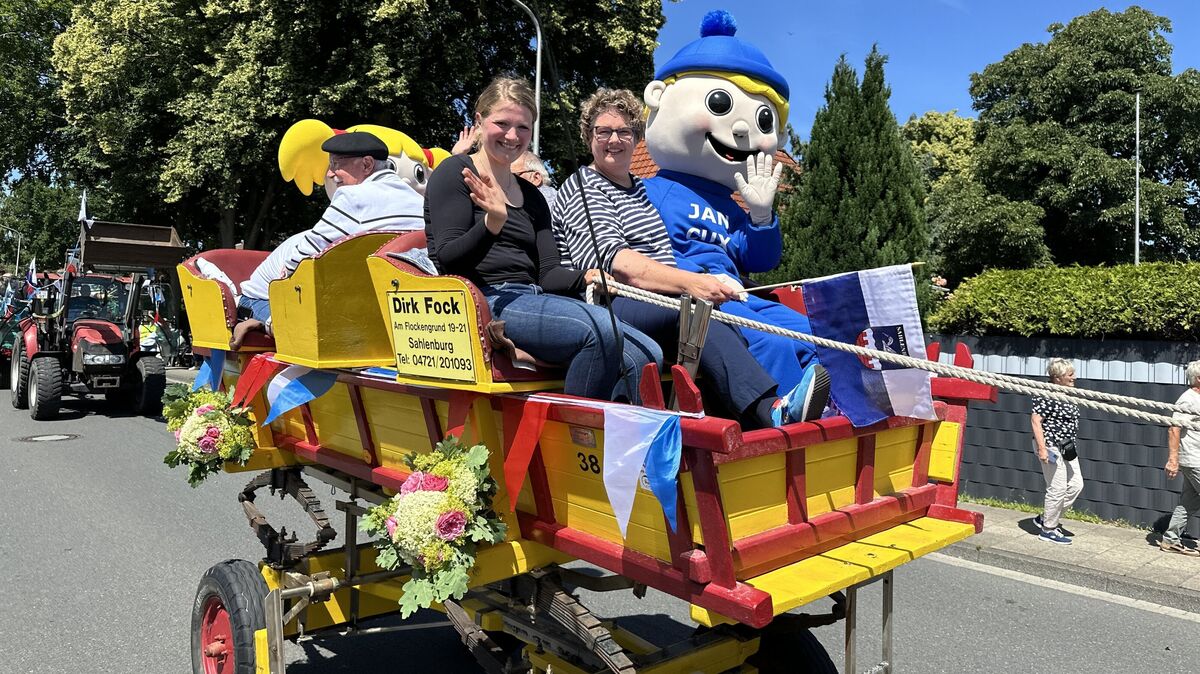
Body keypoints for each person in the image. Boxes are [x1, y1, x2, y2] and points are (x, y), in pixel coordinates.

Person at [552, 88, 827, 427]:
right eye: (603, 131)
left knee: (804, 328)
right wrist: (694, 282)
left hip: (661, 294)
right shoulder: (585, 185)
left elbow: (685, 252)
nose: (614, 140)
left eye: (624, 131)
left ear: (637, 137)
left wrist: (759, 218)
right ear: (587, 136)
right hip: (616, 298)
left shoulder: (640, 190)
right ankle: (770, 411)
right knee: (697, 313)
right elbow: (619, 264)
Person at [424, 77, 661, 403]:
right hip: (483, 300)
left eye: (522, 127)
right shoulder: (455, 173)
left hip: (532, 298)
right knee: (602, 333)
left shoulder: (532, 197)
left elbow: (547, 274)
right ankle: (580, 438)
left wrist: (587, 275)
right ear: (479, 121)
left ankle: (621, 441)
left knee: (648, 353)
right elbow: (450, 259)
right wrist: (492, 222)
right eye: (502, 123)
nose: (512, 136)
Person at [640, 11, 828, 408]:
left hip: (741, 297)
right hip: (693, 301)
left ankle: (829, 404)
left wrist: (761, 215)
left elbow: (760, 258)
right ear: (658, 97)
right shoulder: (649, 190)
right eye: (721, 104)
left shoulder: (730, 204)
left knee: (815, 334)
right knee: (771, 344)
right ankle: (785, 419)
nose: (744, 131)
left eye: (763, 119)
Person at [231, 131, 424, 348]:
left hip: (307, 305)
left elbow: (302, 259)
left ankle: (262, 323)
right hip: (383, 307)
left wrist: (289, 271)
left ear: (367, 164)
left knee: (249, 301)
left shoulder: (352, 197)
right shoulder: (420, 202)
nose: (330, 174)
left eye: (336, 164)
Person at [1030, 358, 1084, 545]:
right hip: (1051, 446)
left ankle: (1046, 517)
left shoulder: (1068, 392)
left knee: (1076, 485)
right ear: (1058, 378)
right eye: (1070, 375)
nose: (1074, 377)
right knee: (1057, 488)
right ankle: (1048, 529)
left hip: (1067, 446)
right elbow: (1036, 421)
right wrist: (1042, 449)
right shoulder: (1048, 394)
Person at [1161, 360, 1200, 556]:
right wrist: (1173, 460)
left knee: (1189, 502)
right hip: (1194, 460)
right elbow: (1174, 428)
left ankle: (1170, 540)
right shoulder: (1188, 399)